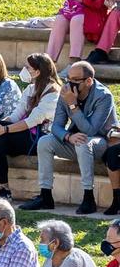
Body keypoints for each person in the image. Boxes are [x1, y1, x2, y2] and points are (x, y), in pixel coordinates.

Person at [25, 61, 114, 216]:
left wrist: (73, 105)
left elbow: (91, 130)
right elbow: (56, 126)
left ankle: (88, 198)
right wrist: (68, 136)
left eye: (75, 80)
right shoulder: (65, 92)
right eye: (68, 79)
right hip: (75, 140)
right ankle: (45, 196)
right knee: (44, 142)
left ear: (88, 81)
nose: (69, 84)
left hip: (102, 142)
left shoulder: (103, 96)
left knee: (83, 142)